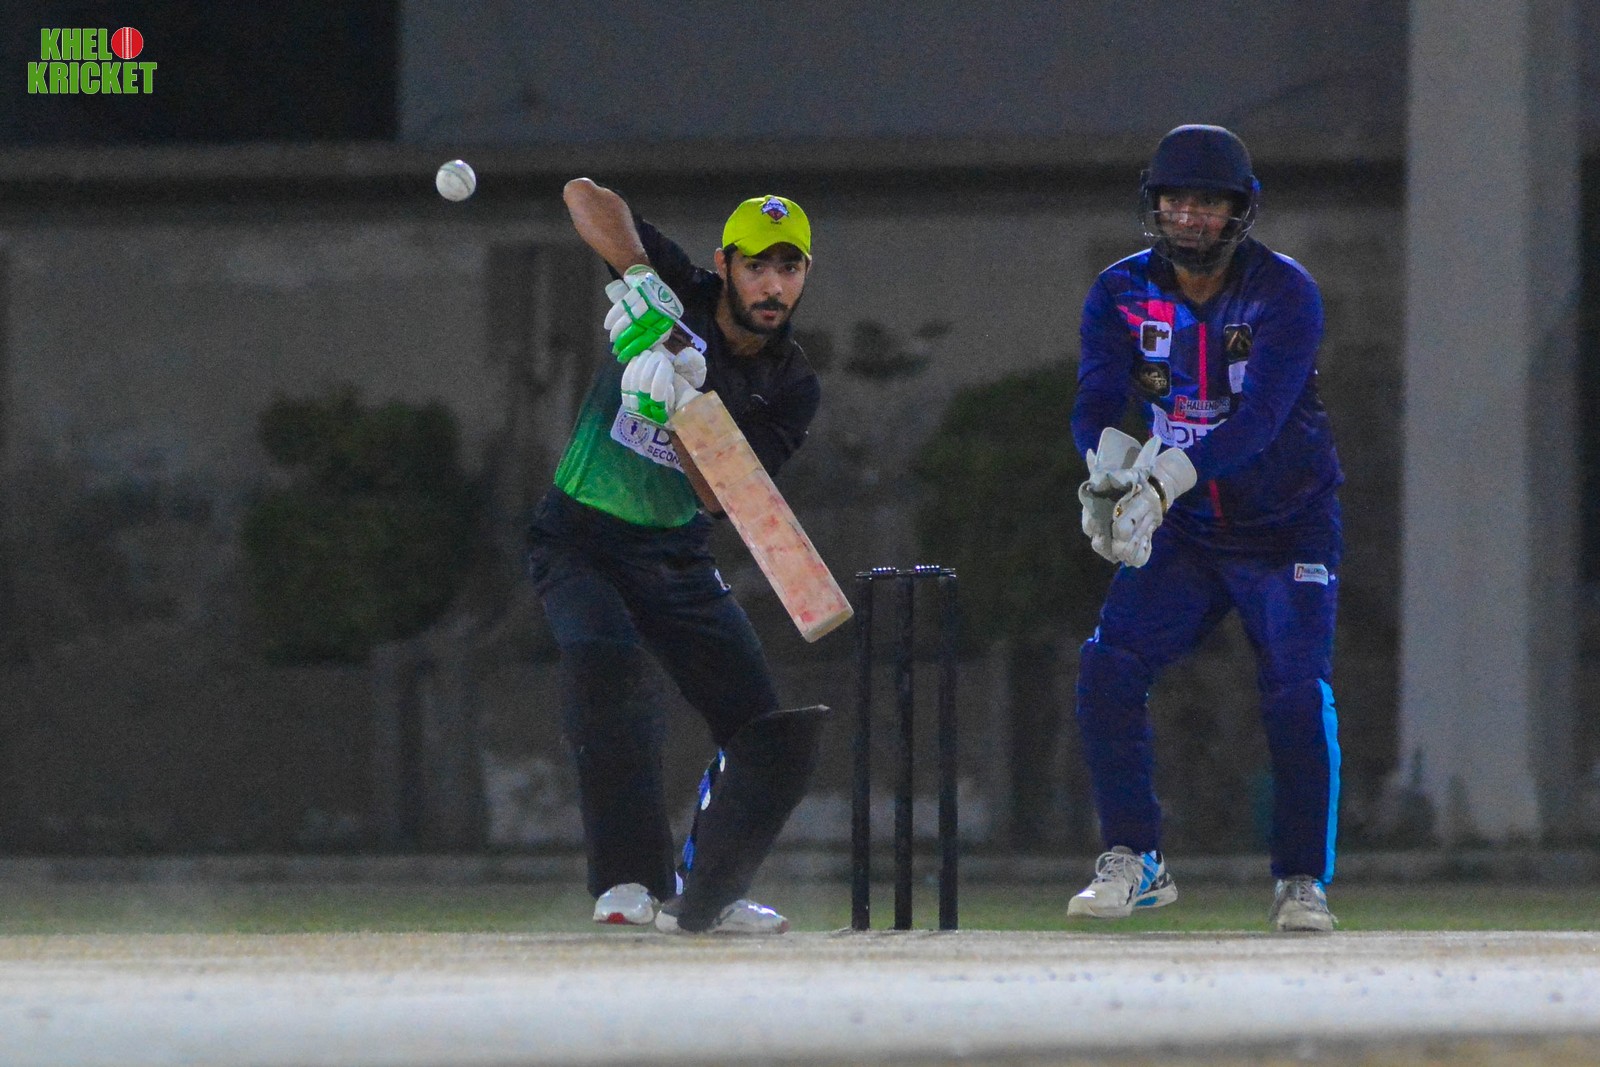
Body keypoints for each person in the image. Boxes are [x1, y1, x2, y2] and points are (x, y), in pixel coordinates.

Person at [524, 180, 828, 935]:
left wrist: (683, 410)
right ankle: (629, 882)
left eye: (788, 268)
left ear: (804, 276)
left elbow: (725, 498)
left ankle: (711, 895)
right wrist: (639, 281)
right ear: (724, 265)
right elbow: (584, 196)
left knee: (763, 730)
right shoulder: (681, 288)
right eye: (756, 266)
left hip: (676, 555)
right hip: (580, 538)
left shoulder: (792, 383)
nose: (772, 286)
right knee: (606, 670)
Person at [1069, 124, 1344, 933]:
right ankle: (1136, 857)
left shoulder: (1284, 292)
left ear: (1240, 210)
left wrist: (1163, 479)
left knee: (1295, 691)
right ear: (1153, 204)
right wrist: (1106, 471)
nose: (1189, 217)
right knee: (1108, 665)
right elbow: (1096, 398)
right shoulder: (1120, 291)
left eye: (1208, 202)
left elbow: (1258, 421)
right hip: (1188, 527)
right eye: (1176, 200)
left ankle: (1301, 879)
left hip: (1286, 524)